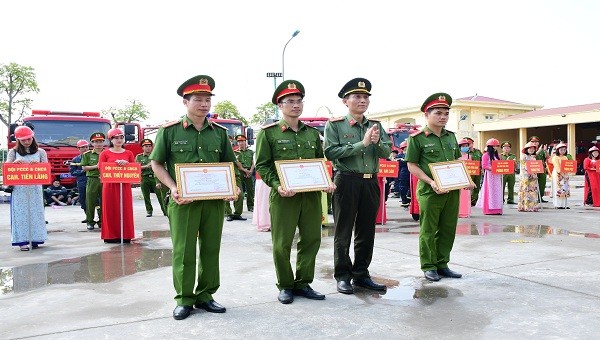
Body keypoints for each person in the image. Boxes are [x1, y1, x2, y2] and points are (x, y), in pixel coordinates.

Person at [150, 75, 238, 320]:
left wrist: (235, 186)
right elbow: (156, 163)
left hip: (213, 201)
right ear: (185, 102)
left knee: (211, 249)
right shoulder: (169, 131)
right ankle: (184, 298)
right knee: (184, 251)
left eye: (207, 99)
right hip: (182, 201)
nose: (204, 104)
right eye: (198, 99)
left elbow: (229, 164)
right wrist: (172, 187)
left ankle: (206, 295)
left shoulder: (219, 133)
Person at [256, 79, 335, 304]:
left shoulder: (311, 133)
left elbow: (319, 162)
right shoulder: (269, 133)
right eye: (290, 101)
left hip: (310, 195)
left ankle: (303, 282)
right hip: (284, 196)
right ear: (280, 106)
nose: (296, 105)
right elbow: (262, 164)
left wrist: (326, 181)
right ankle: (285, 285)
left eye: (299, 101)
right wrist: (276, 185)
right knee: (282, 243)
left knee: (312, 239)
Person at [324, 77, 391, 294]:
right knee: (343, 231)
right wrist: (360, 144)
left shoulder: (376, 126)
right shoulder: (335, 125)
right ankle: (342, 275)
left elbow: (387, 152)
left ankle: (361, 274)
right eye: (357, 97)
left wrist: (377, 142)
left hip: (370, 181)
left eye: (365, 97)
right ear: (346, 101)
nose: (362, 100)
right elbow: (331, 152)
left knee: (366, 231)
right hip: (346, 180)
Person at [405, 93, 474, 282]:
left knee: (448, 228)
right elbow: (412, 165)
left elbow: (457, 162)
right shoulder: (417, 138)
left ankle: (442, 264)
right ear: (427, 115)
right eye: (438, 113)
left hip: (451, 190)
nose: (443, 116)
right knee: (428, 229)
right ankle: (428, 266)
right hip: (430, 191)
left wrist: (466, 179)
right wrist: (431, 181)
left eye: (446, 113)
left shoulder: (451, 137)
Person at [7, 126, 48, 251]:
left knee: (36, 213)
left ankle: (35, 238)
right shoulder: (13, 152)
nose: (26, 142)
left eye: (29, 139)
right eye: (23, 140)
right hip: (19, 189)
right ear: (18, 140)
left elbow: (46, 167)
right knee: (20, 214)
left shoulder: (41, 152)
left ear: (33, 137)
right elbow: (7, 167)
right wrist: (14, 164)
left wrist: (39, 165)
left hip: (35, 188)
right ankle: (22, 241)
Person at [99, 128, 136, 243]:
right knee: (110, 208)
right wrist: (114, 164)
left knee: (125, 209)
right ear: (111, 140)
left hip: (124, 185)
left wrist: (127, 164)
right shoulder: (105, 153)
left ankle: (126, 235)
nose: (119, 140)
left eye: (121, 137)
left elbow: (134, 168)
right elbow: (101, 167)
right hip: (109, 186)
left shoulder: (129, 153)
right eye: (116, 138)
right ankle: (110, 236)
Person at [80, 132, 106, 231]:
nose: (98, 144)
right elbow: (84, 168)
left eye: (100, 141)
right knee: (90, 201)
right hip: (92, 179)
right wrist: (97, 166)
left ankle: (102, 221)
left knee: (104, 201)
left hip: (105, 179)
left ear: (104, 142)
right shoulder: (87, 154)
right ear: (92, 143)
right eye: (96, 142)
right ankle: (90, 222)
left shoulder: (107, 153)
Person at [476, 138, 503, 215]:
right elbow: (484, 166)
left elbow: (501, 164)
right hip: (490, 176)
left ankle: (497, 209)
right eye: (493, 146)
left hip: (497, 176)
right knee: (490, 191)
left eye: (496, 146)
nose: (495, 148)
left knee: (497, 191)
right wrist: (493, 168)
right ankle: (489, 209)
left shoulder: (498, 155)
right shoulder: (485, 155)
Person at [136, 139, 160, 217]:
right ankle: (149, 211)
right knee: (146, 196)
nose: (148, 148)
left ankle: (165, 210)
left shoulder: (155, 155)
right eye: (146, 146)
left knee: (160, 195)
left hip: (154, 177)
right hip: (144, 178)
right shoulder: (139, 157)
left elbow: (161, 166)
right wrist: (146, 166)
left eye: (150, 146)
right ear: (142, 147)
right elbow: (136, 167)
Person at [225, 136, 247, 221]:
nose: (230, 143)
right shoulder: (221, 152)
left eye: (231, 142)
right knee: (226, 196)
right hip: (226, 176)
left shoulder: (236, 153)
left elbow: (240, 165)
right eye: (228, 142)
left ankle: (237, 214)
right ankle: (229, 214)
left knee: (240, 195)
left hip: (236, 176)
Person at [518, 142, 541, 212]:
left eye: (533, 149)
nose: (531, 150)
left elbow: (535, 166)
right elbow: (524, 167)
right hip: (526, 177)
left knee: (532, 191)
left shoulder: (533, 157)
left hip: (533, 177)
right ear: (526, 149)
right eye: (530, 148)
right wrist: (530, 173)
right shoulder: (523, 156)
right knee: (526, 191)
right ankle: (525, 206)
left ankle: (532, 206)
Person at [70, 139, 90, 222]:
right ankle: (88, 217)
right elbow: (73, 172)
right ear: (78, 148)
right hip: (82, 182)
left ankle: (99, 218)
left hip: (92, 181)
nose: (85, 149)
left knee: (96, 200)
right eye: (82, 147)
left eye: (86, 147)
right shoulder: (75, 160)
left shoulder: (93, 157)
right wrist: (83, 171)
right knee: (83, 199)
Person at [235, 134, 255, 212]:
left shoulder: (251, 152)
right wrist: (245, 171)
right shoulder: (236, 153)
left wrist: (251, 171)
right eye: (239, 142)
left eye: (242, 141)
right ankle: (238, 208)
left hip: (249, 172)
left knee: (250, 190)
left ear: (245, 142)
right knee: (239, 191)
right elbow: (237, 164)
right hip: (240, 172)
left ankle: (250, 206)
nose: (241, 143)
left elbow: (253, 162)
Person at [529, 136, 550, 202]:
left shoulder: (542, 150)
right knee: (533, 184)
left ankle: (540, 197)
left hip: (542, 168)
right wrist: (538, 151)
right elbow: (532, 157)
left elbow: (547, 157)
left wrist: (546, 151)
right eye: (533, 141)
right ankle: (534, 197)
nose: (535, 143)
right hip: (533, 169)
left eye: (536, 142)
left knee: (542, 183)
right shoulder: (529, 149)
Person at [551, 142, 571, 209]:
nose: (563, 151)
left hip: (565, 174)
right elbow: (557, 168)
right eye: (561, 150)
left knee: (565, 188)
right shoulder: (555, 158)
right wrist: (562, 175)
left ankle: (564, 204)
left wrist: (567, 174)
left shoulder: (565, 157)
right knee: (558, 188)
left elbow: (568, 166)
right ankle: (558, 204)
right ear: (558, 150)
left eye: (564, 150)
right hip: (557, 174)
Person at [463, 137, 482, 206]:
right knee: (469, 186)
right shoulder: (465, 152)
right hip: (469, 171)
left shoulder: (478, 151)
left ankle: (475, 200)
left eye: (469, 144)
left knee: (477, 185)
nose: (469, 145)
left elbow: (481, 160)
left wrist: (482, 169)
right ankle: (469, 200)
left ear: (472, 144)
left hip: (477, 170)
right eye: (467, 144)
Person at [457, 139, 472, 218]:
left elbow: (472, 167)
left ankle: (466, 211)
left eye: (466, 146)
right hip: (459, 177)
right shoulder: (456, 155)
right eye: (463, 146)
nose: (465, 147)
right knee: (459, 195)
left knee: (467, 194)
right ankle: (459, 212)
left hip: (466, 176)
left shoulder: (469, 156)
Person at [396, 141, 411, 207]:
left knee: (411, 187)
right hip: (403, 173)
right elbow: (400, 163)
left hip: (411, 173)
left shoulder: (412, 154)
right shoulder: (399, 156)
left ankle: (409, 198)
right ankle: (404, 200)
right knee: (403, 187)